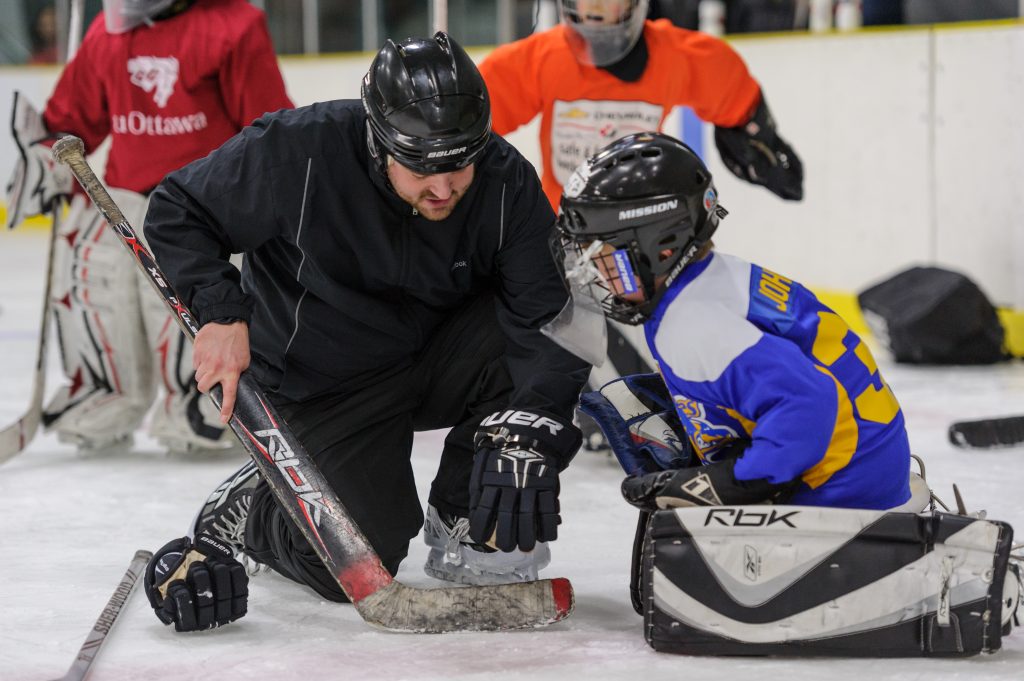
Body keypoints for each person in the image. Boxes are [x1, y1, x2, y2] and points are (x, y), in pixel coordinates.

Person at [139, 32, 590, 632]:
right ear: (379, 143)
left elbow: (551, 320)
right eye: (422, 169)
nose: (444, 187)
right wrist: (221, 312)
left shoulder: (506, 181)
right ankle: (251, 507)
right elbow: (178, 209)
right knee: (352, 562)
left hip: (438, 359)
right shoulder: (298, 150)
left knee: (525, 343)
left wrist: (530, 434)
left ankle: (463, 519)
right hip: (323, 381)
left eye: (459, 164)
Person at [552, 131, 912, 512]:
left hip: (841, 498)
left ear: (660, 247)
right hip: (869, 470)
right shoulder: (717, 278)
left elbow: (808, 402)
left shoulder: (692, 324)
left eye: (605, 257)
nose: (598, 275)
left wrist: (735, 482)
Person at [5, 0, 293, 455]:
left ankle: (202, 401)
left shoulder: (234, 26)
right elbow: (72, 120)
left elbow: (267, 129)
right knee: (91, 273)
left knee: (183, 295)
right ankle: (105, 389)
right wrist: (45, 160)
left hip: (199, 202)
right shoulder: (109, 31)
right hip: (121, 196)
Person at [478, 0, 804, 212]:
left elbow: (726, 81)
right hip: (562, 231)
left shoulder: (672, 57)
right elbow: (473, 116)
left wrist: (754, 130)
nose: (593, 4)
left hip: (643, 229)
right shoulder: (542, 59)